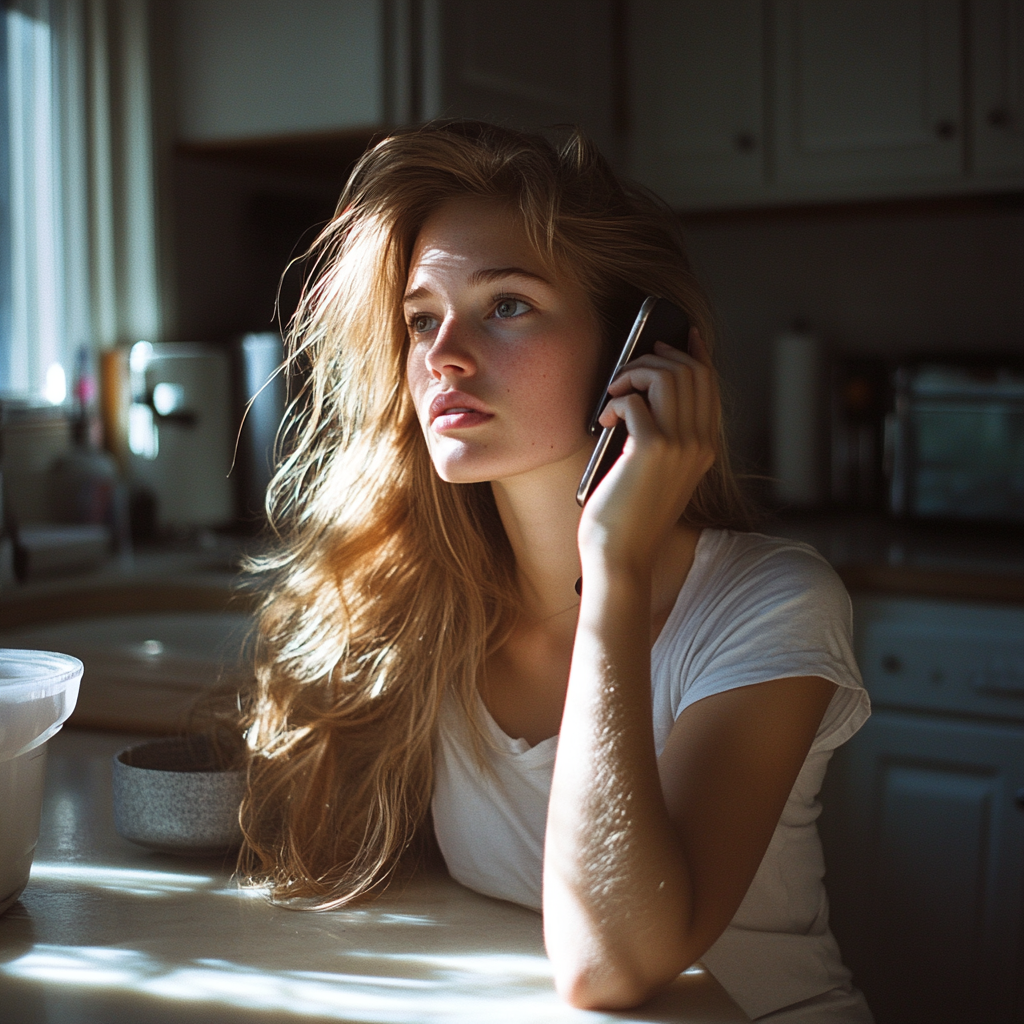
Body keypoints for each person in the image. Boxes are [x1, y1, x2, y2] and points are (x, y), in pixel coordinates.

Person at [236, 120, 873, 1023]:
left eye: (508, 305)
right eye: (421, 318)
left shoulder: (768, 604)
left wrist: (610, 568)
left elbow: (613, 967)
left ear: (641, 354)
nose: (443, 354)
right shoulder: (418, 612)